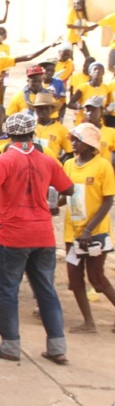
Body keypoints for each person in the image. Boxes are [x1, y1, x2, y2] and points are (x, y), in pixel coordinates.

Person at [0, 113, 73, 364]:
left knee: (7, 290)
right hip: (44, 235)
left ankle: (10, 345)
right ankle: (57, 346)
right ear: (32, 133)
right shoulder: (47, 160)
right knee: (46, 291)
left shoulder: (4, 160)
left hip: (13, 235)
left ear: (8, 134)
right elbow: (69, 188)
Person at [62, 123, 115, 335]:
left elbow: (108, 200)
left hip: (95, 234)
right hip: (71, 232)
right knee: (74, 279)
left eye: (77, 140)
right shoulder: (68, 165)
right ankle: (88, 321)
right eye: (72, 139)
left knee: (97, 278)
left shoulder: (103, 166)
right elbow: (67, 194)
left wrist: (89, 230)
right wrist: (55, 205)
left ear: (89, 143)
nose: (72, 143)